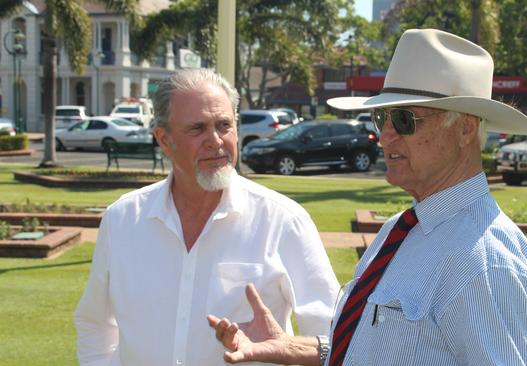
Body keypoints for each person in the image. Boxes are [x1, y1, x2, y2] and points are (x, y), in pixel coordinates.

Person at [208, 29, 527, 365]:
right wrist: (290, 347)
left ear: (465, 128)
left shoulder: (484, 264)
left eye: (404, 119)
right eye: (382, 117)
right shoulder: (401, 229)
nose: (384, 136)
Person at [74, 69, 340, 366]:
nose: (215, 141)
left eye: (224, 125)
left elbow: (335, 338)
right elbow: (95, 324)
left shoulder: (284, 221)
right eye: (197, 128)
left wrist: (288, 348)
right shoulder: (122, 220)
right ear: (164, 139)